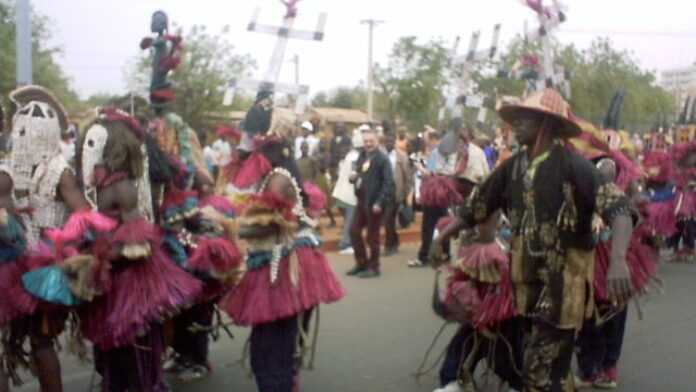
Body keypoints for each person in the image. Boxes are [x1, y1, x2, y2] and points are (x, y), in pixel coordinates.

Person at [432, 89, 634, 392]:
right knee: (547, 369)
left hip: (563, 289)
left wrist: (618, 260)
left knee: (540, 374)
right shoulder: (512, 167)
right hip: (524, 286)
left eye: (526, 118)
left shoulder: (574, 166)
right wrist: (444, 236)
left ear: (546, 124)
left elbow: (620, 211)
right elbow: (478, 206)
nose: (516, 124)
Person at [347, 128, 395, 278]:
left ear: (377, 141)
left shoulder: (382, 159)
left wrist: (380, 203)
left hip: (375, 203)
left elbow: (389, 183)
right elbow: (358, 174)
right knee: (353, 231)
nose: (368, 144)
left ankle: (374, 268)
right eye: (366, 141)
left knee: (372, 237)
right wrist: (353, 178)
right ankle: (361, 264)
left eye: (371, 141)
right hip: (362, 201)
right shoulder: (362, 156)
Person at [332, 130, 362, 254]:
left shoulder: (350, 155)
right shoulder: (356, 158)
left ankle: (348, 242)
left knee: (349, 221)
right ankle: (345, 244)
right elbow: (354, 177)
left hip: (341, 193)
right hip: (350, 194)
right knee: (350, 220)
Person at [383, 132, 412, 256]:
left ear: (394, 142)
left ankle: (389, 246)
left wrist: (406, 195)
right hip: (383, 192)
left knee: (388, 219)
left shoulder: (402, 156)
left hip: (396, 193)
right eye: (386, 141)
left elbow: (408, 177)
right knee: (387, 220)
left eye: (391, 141)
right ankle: (394, 241)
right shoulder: (381, 155)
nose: (389, 144)